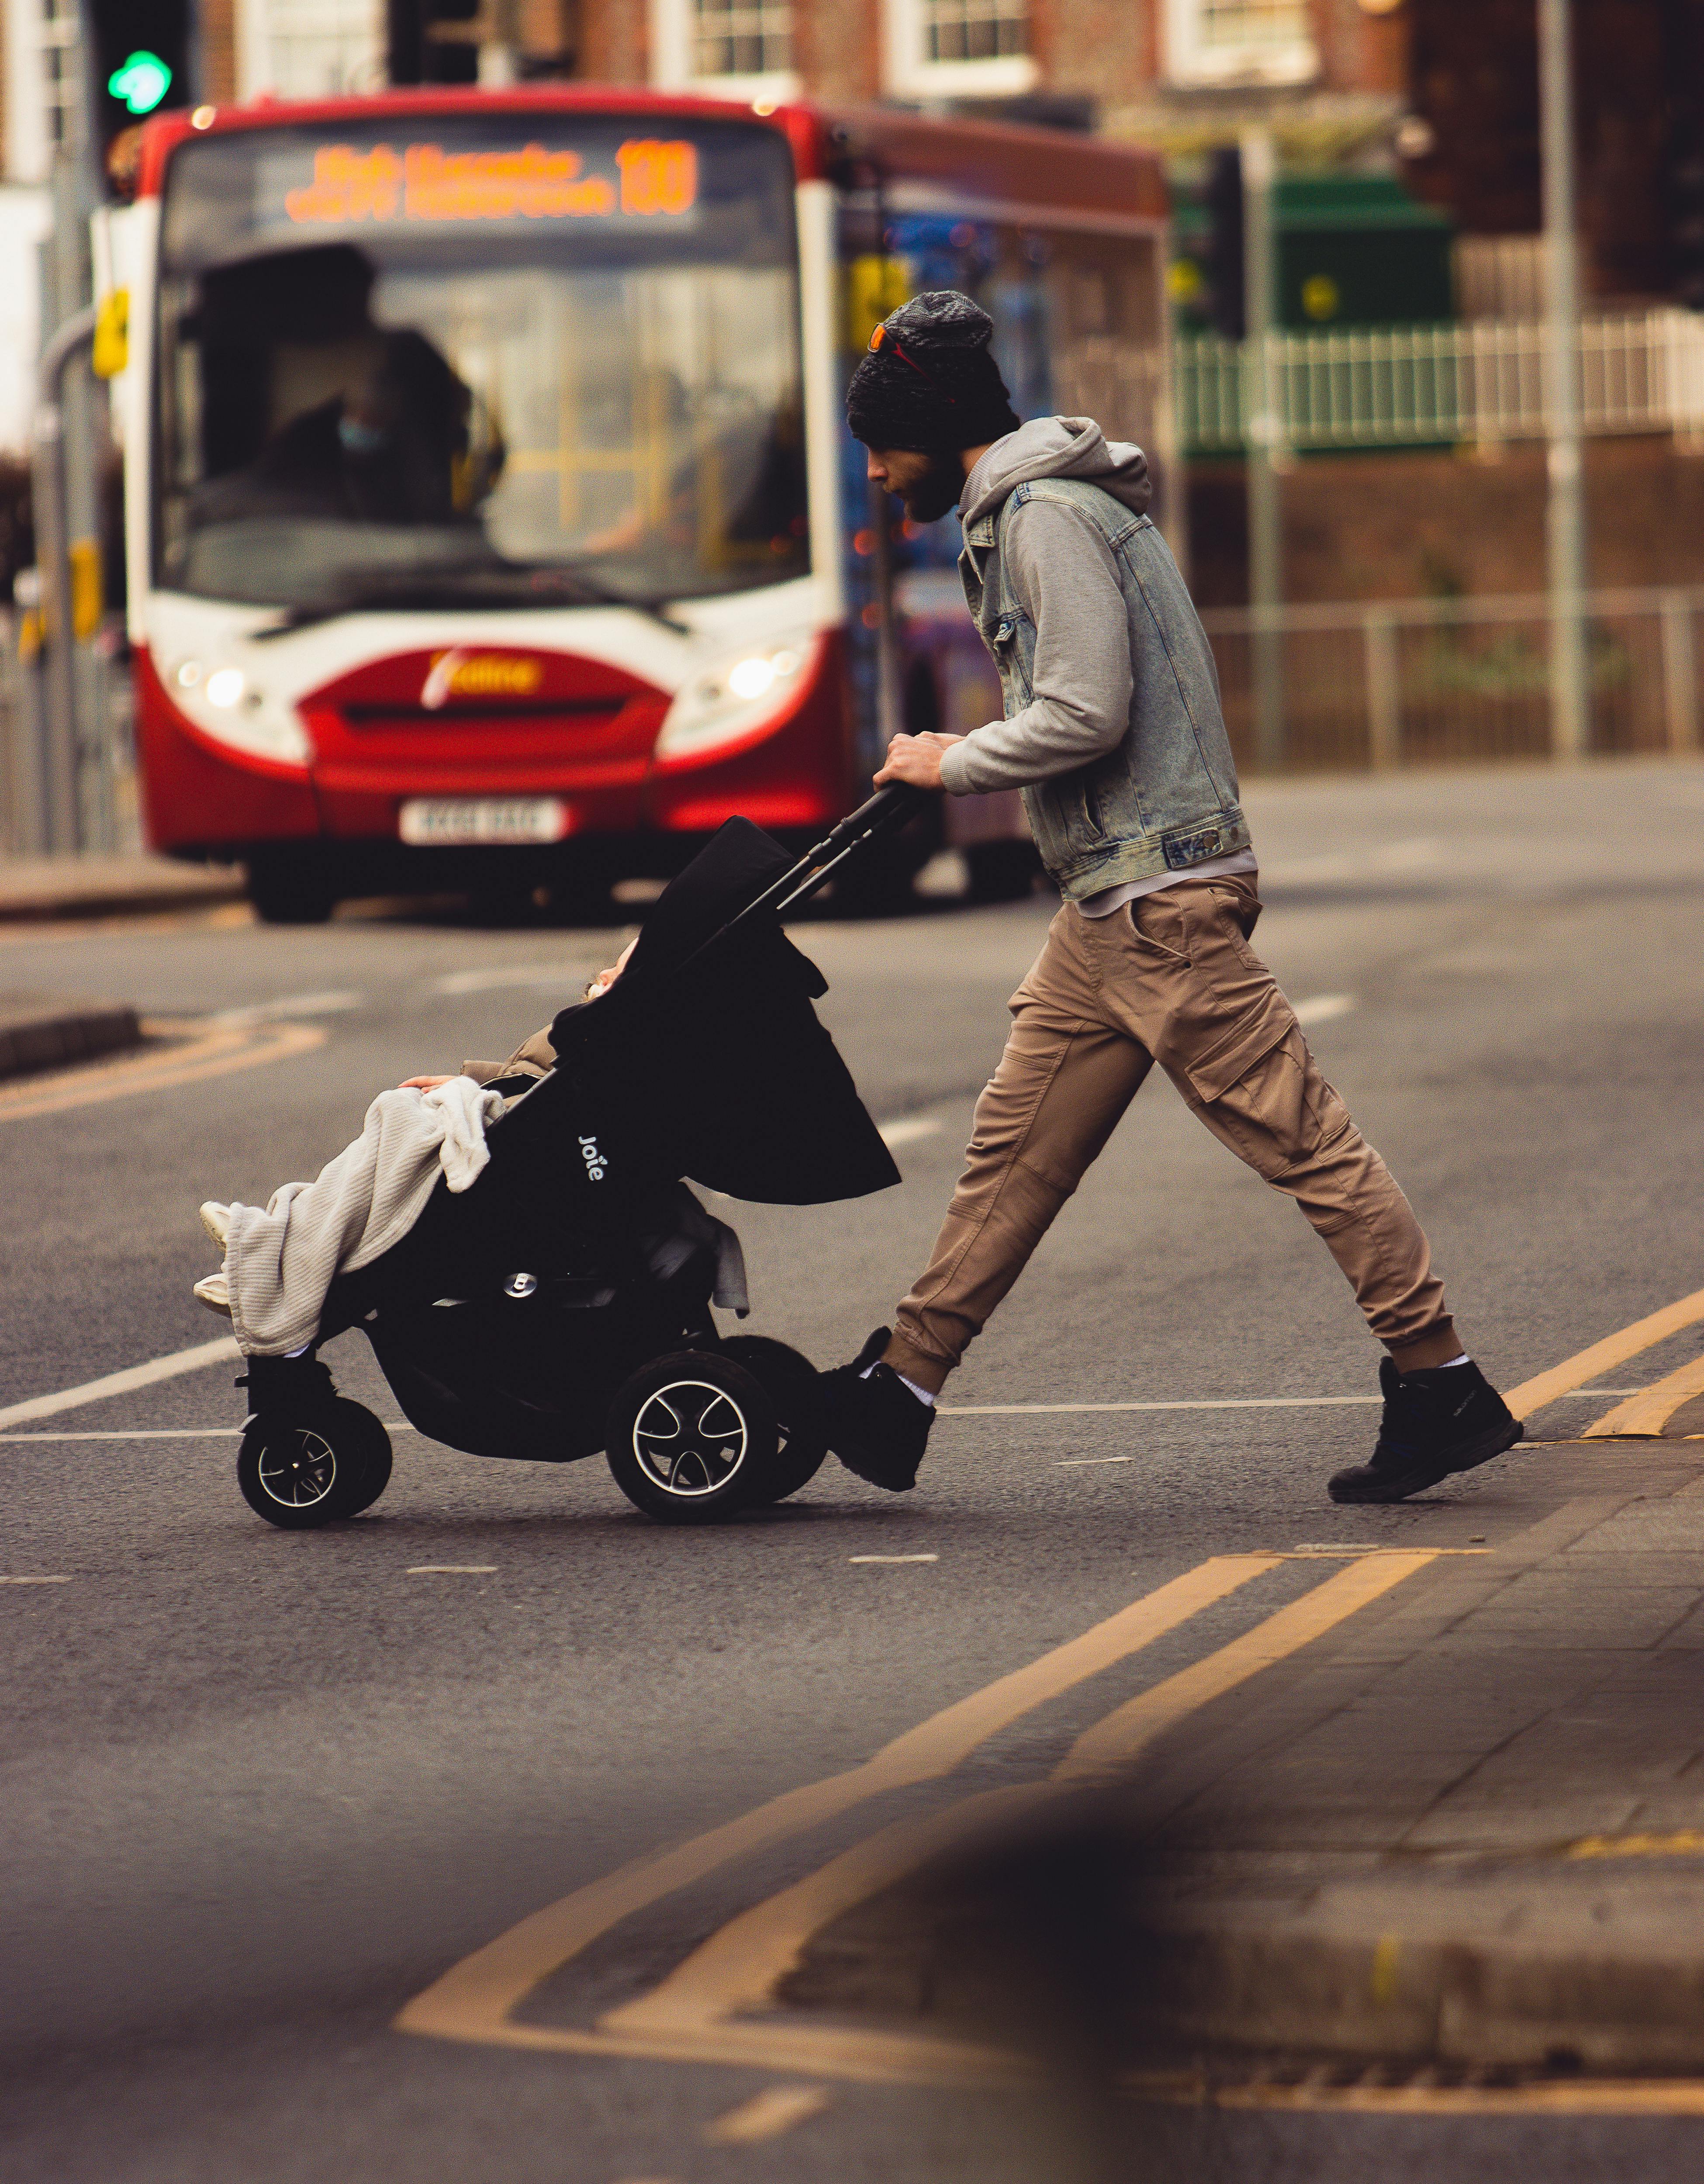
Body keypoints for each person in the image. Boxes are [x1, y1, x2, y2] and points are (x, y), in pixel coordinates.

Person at [817, 290, 1522, 1508]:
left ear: (934, 428)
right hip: (1110, 902)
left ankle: (1442, 1379)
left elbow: (1087, 709)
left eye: (881, 447)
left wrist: (954, 761)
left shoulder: (1044, 519)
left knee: (1304, 1141)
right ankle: (904, 1389)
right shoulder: (1044, 507)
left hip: (1159, 899)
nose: (876, 474)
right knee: (1015, 1153)